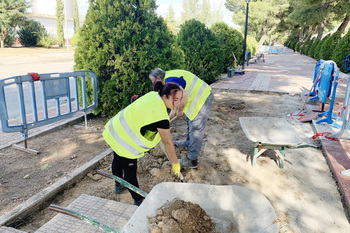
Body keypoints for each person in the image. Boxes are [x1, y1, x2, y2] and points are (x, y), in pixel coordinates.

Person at [102, 82, 183, 206]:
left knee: (117, 159)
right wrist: (175, 164)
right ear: (165, 96)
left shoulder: (153, 95)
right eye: (175, 99)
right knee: (130, 170)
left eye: (179, 99)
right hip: (124, 140)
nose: (177, 103)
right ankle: (139, 199)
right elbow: (167, 143)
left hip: (115, 130)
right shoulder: (161, 117)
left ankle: (118, 185)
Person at [149, 68, 214, 169]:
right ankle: (189, 143)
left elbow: (183, 96)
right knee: (190, 122)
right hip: (195, 98)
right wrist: (168, 120)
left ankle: (192, 160)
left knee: (196, 129)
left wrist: (180, 110)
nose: (153, 85)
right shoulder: (168, 78)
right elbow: (175, 103)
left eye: (153, 81)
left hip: (201, 98)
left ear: (158, 78)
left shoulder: (170, 81)